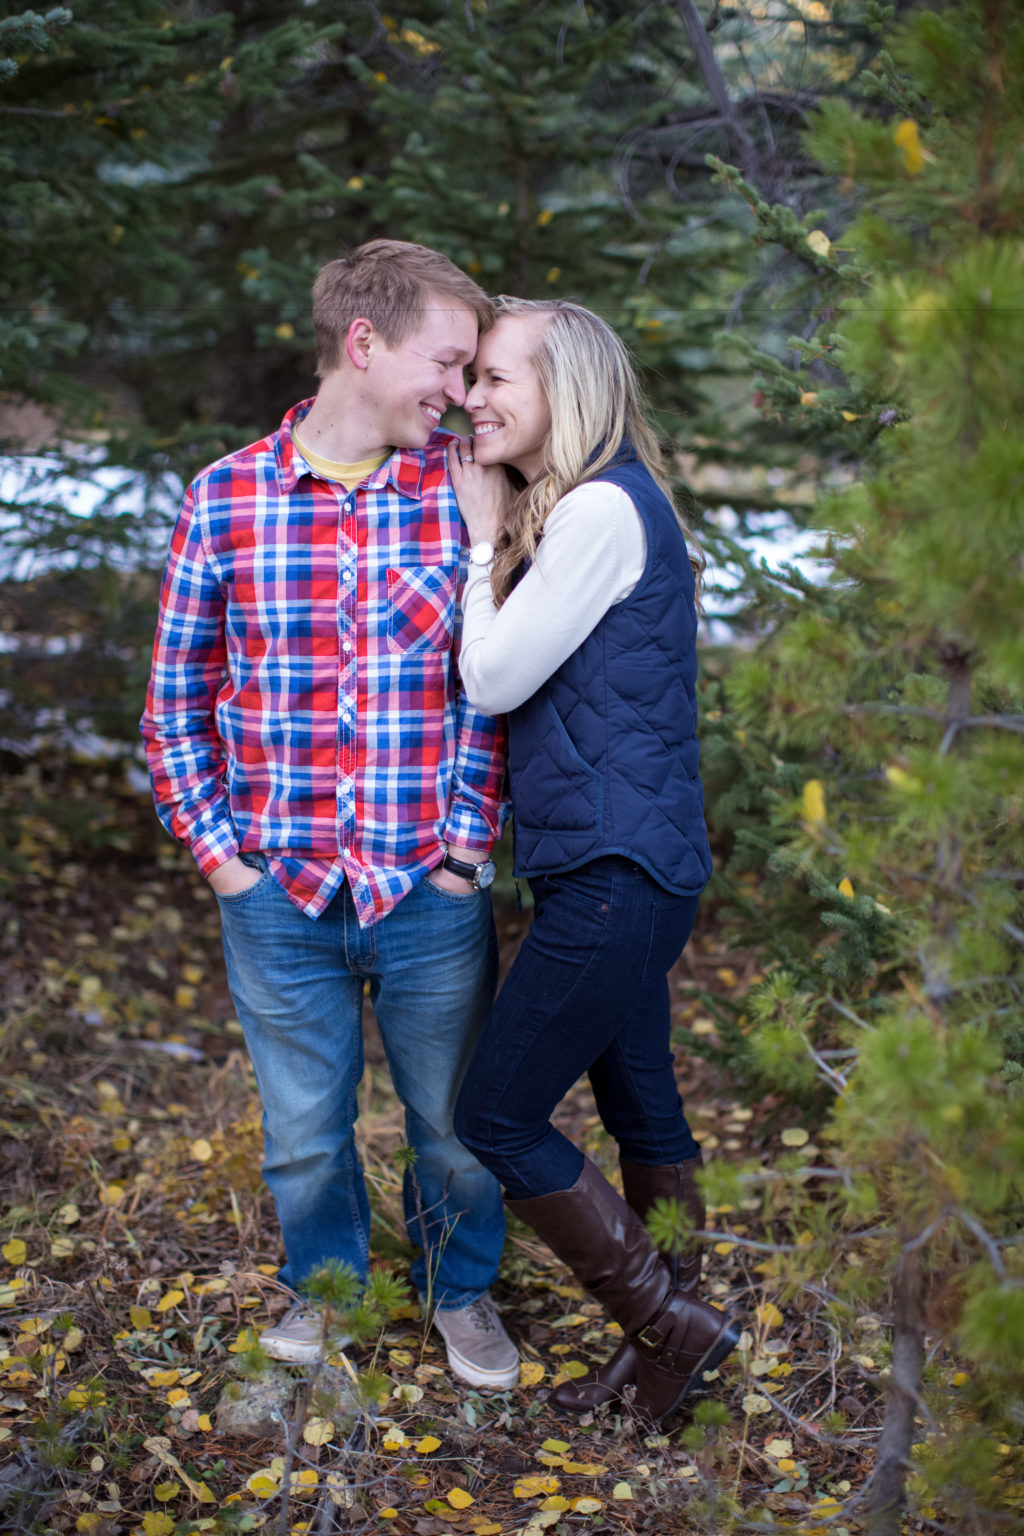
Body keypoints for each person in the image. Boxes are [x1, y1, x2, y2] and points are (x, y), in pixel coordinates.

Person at [140, 240, 520, 1390]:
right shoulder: (227, 497)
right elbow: (173, 706)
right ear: (367, 343)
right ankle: (330, 1289)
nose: (460, 393)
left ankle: (460, 1293)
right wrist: (224, 863)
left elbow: (488, 689)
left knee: (452, 1128)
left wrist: (464, 849)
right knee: (304, 1131)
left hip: (425, 889)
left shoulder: (464, 493)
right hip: (277, 893)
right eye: (448, 363)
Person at [448, 297, 740, 1424]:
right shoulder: (604, 504)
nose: (474, 400)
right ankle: (677, 1343)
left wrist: (481, 541)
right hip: (630, 865)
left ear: (563, 390)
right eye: (469, 378)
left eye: (496, 380)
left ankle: (673, 1330)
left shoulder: (602, 511)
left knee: (498, 1117)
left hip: (617, 873)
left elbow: (493, 679)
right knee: (643, 1108)